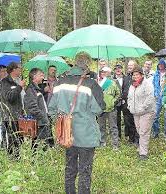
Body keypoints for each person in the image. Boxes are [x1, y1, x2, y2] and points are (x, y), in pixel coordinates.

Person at [48, 53, 105, 194]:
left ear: (75, 63)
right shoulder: (91, 84)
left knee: (70, 168)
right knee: (85, 171)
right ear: (87, 66)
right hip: (86, 134)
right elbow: (99, 109)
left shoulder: (60, 82)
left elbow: (51, 109)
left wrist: (63, 120)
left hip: (67, 133)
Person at [127, 66, 155, 160]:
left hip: (147, 112)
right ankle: (141, 146)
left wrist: (142, 108)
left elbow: (150, 98)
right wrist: (130, 106)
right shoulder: (132, 85)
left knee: (144, 132)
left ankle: (143, 153)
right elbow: (129, 97)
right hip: (136, 112)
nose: (135, 76)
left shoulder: (147, 84)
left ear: (141, 75)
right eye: (133, 75)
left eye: (137, 74)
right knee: (139, 130)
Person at [0, 62, 25, 157]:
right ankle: (12, 159)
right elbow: (9, 97)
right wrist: (19, 87)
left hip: (20, 116)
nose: (21, 70)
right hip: (10, 116)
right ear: (14, 69)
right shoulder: (5, 82)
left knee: (20, 139)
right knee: (12, 139)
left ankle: (18, 158)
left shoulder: (18, 80)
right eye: (19, 68)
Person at [24, 68, 52, 148]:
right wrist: (43, 116)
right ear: (34, 76)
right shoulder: (30, 89)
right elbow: (32, 108)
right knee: (39, 147)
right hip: (38, 124)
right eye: (41, 75)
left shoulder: (37, 89)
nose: (43, 77)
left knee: (43, 146)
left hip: (41, 123)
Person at [98, 66, 120, 149]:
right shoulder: (98, 82)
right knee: (101, 126)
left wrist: (113, 102)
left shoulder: (113, 82)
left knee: (113, 127)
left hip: (111, 108)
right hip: (101, 108)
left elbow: (118, 94)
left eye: (104, 72)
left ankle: (115, 145)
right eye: (102, 72)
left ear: (108, 73)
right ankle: (102, 142)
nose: (102, 73)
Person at [122, 60, 139, 145]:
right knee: (128, 121)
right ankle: (131, 139)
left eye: (131, 65)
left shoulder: (137, 77)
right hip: (126, 104)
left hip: (135, 103)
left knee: (135, 121)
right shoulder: (125, 77)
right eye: (128, 65)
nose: (129, 67)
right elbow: (123, 89)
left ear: (135, 66)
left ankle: (136, 139)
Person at [152, 58, 166, 138]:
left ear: (165, 65)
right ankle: (156, 131)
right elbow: (153, 84)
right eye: (159, 64)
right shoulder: (156, 74)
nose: (161, 66)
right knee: (155, 115)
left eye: (162, 64)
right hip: (158, 97)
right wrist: (155, 94)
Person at [113, 64, 125, 139]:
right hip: (116, 101)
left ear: (122, 69)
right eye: (116, 69)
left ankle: (128, 135)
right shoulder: (111, 79)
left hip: (124, 101)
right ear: (114, 70)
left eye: (119, 68)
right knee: (117, 119)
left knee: (127, 119)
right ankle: (118, 135)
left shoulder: (126, 78)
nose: (118, 70)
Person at [0, 65, 7, 145]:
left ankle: (5, 143)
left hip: (7, 108)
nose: (5, 73)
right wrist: (0, 89)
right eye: (3, 71)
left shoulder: (7, 82)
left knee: (5, 128)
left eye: (5, 71)